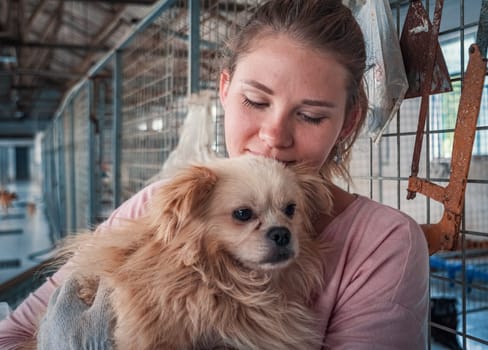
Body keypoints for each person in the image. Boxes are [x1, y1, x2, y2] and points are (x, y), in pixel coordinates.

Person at [0, 0, 429, 349]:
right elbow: (13, 334)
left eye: (311, 115)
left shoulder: (384, 244)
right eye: (256, 102)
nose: (274, 136)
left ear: (349, 122)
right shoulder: (160, 203)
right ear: (224, 90)